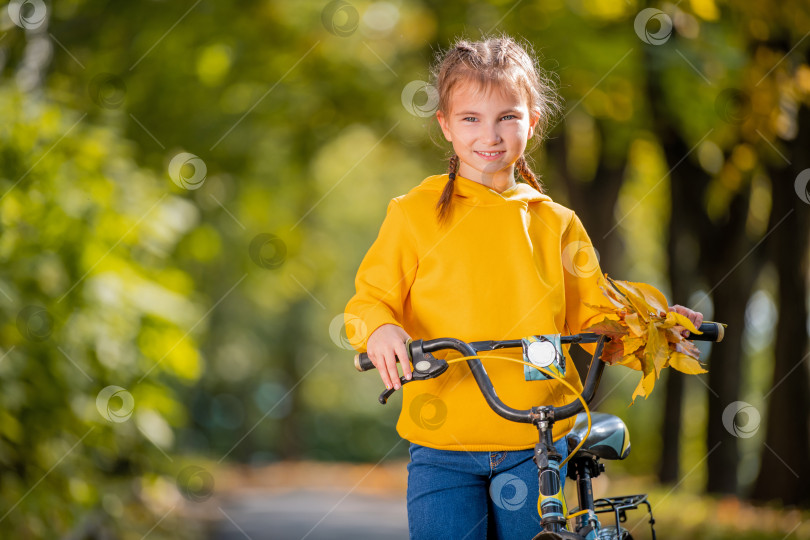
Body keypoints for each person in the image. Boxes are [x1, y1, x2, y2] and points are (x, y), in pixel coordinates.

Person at [343, 34, 703, 540]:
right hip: (443, 441)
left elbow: (596, 316)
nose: (489, 135)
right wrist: (380, 330)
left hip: (538, 440)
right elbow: (368, 300)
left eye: (507, 117)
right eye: (470, 118)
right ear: (445, 124)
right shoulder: (413, 214)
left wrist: (656, 327)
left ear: (532, 121)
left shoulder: (557, 223)